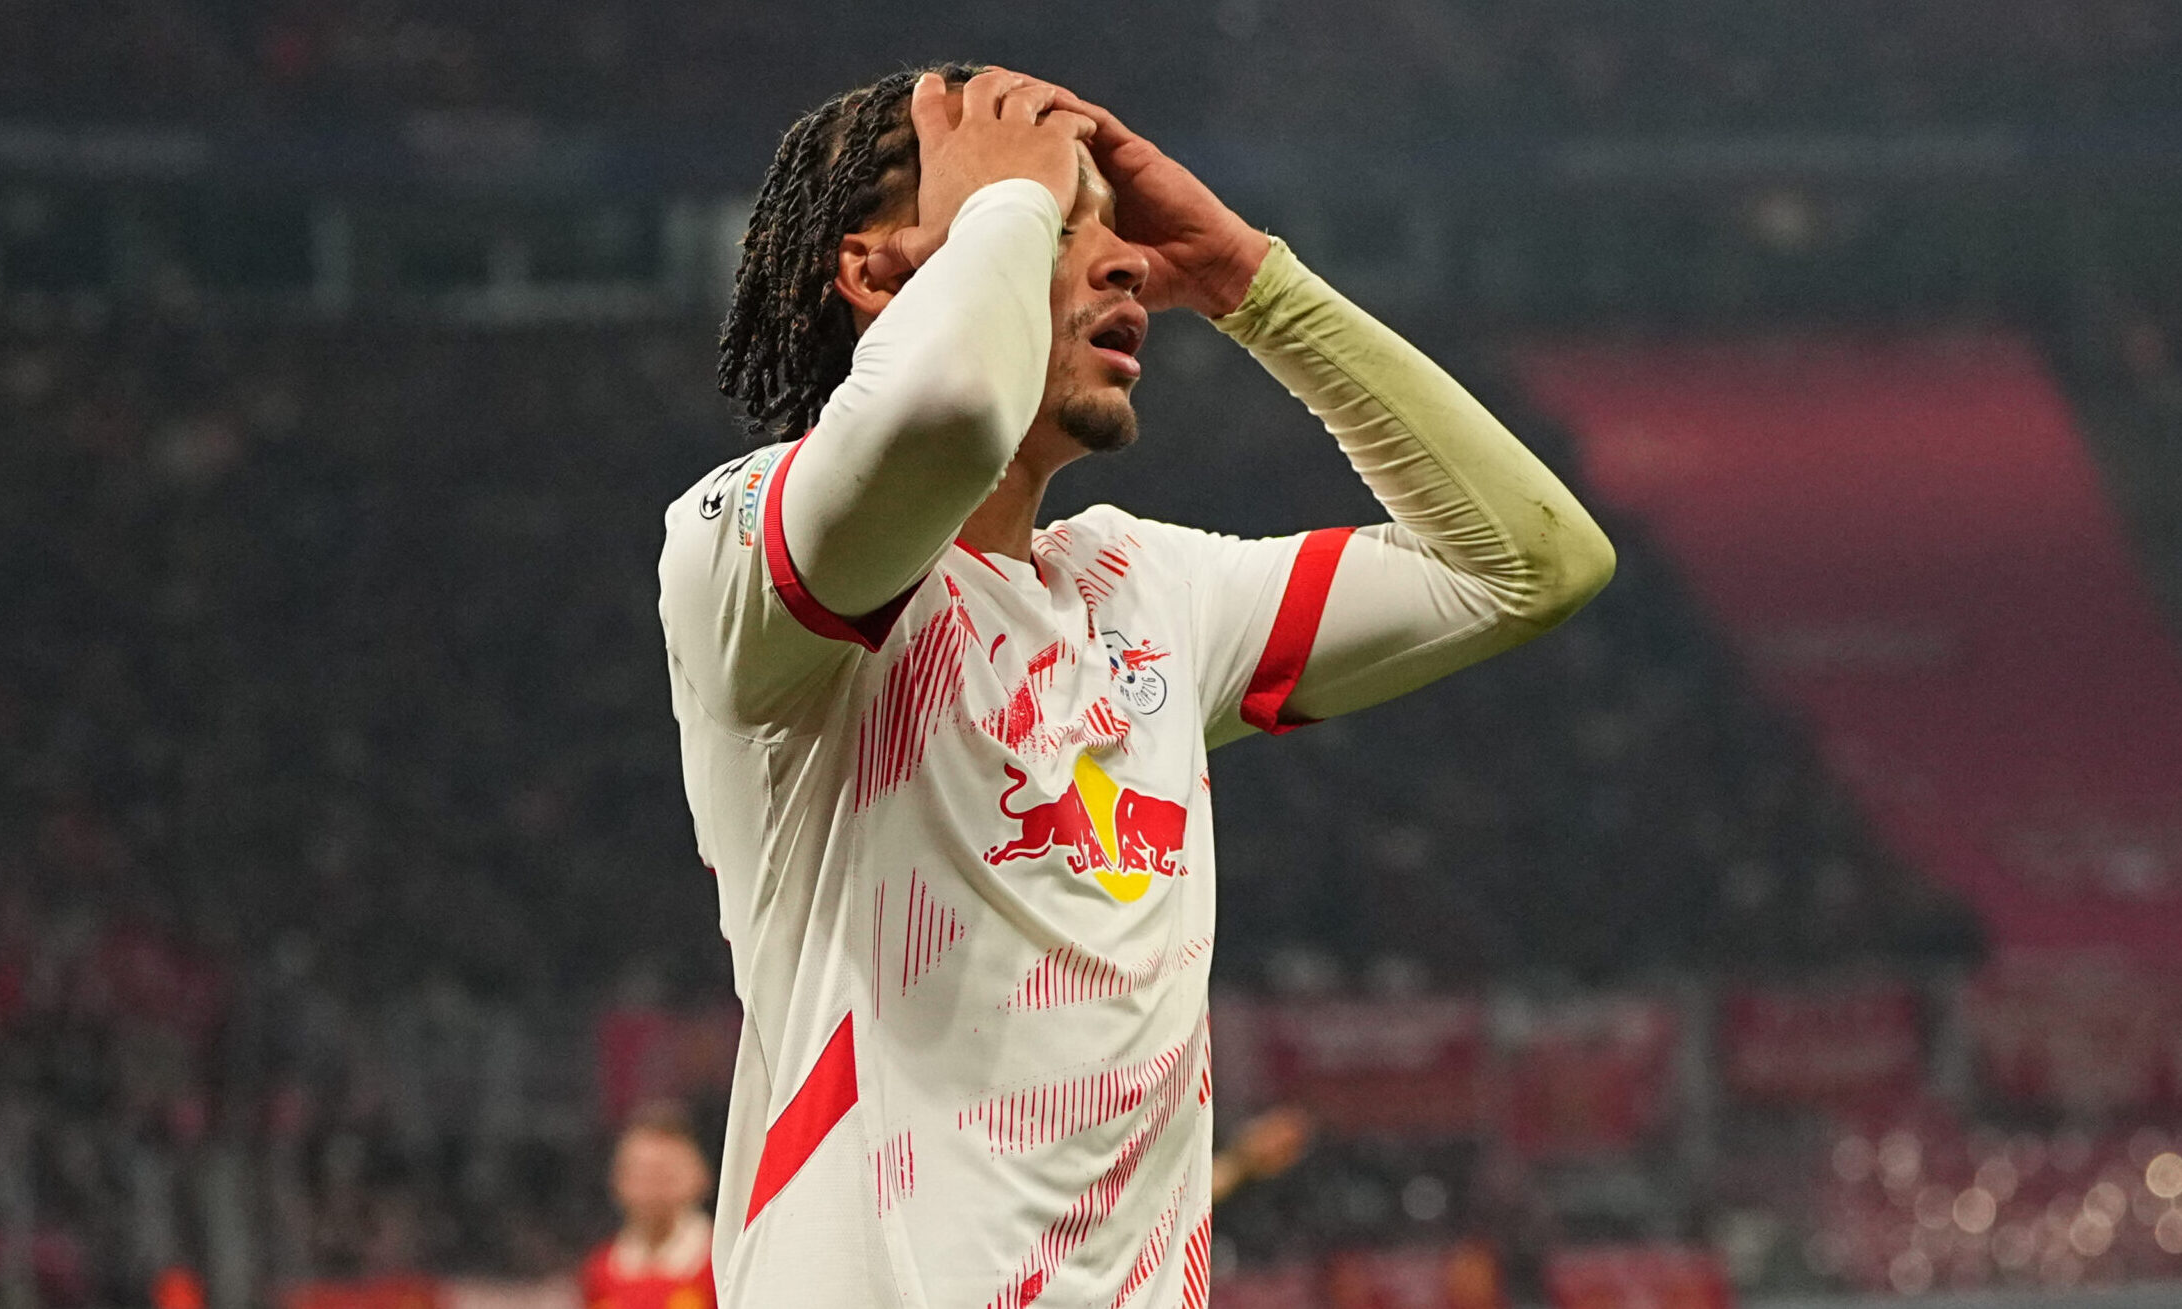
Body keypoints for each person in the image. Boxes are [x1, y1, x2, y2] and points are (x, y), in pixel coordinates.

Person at [659, 61, 1614, 1307]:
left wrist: (1252, 287)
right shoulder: (748, 558)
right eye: (1063, 222)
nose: (1118, 263)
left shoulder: (1142, 594)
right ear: (876, 271)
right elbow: (942, 411)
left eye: (1111, 229)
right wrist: (1004, 210)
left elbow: (1529, 565)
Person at [580, 1104, 716, 1309]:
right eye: (641, 1174)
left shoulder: (722, 1262)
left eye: (665, 1174)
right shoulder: (600, 1271)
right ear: (617, 1180)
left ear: (700, 1177)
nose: (653, 1189)